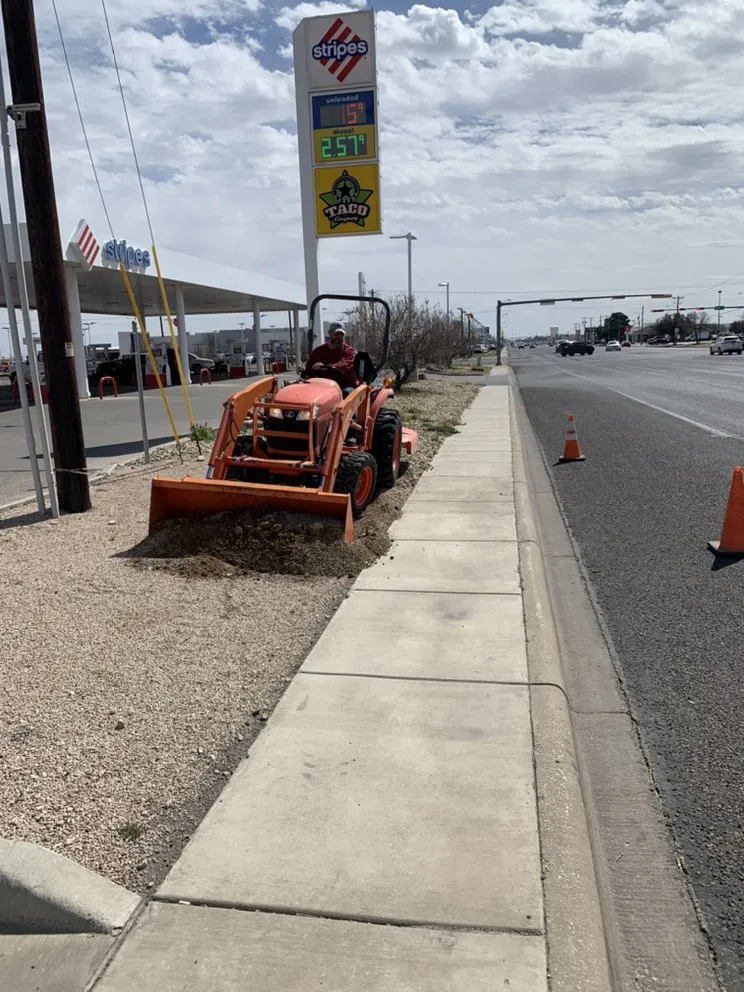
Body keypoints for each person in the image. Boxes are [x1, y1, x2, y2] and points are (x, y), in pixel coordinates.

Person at [304, 323, 357, 390]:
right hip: (324, 385)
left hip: (345, 385)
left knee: (346, 392)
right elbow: (307, 370)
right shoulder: (318, 351)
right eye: (336, 334)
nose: (338, 337)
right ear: (329, 333)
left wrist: (325, 367)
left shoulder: (349, 351)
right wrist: (313, 367)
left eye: (341, 335)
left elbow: (343, 365)